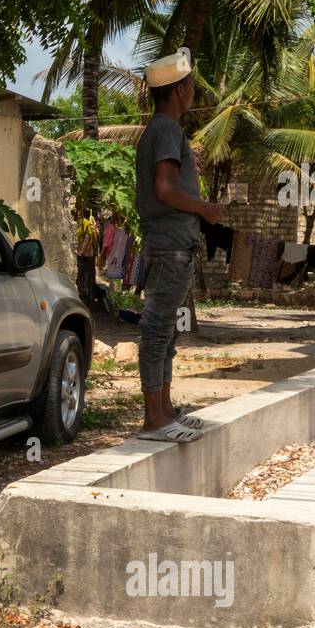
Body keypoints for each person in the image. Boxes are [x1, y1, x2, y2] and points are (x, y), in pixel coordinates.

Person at [135, 48, 223, 443]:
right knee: (158, 332)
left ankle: (166, 411)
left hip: (172, 246)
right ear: (179, 90)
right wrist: (205, 209)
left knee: (166, 333)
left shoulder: (159, 129)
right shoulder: (167, 130)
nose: (193, 93)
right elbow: (165, 188)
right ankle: (154, 419)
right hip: (170, 246)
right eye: (190, 86)